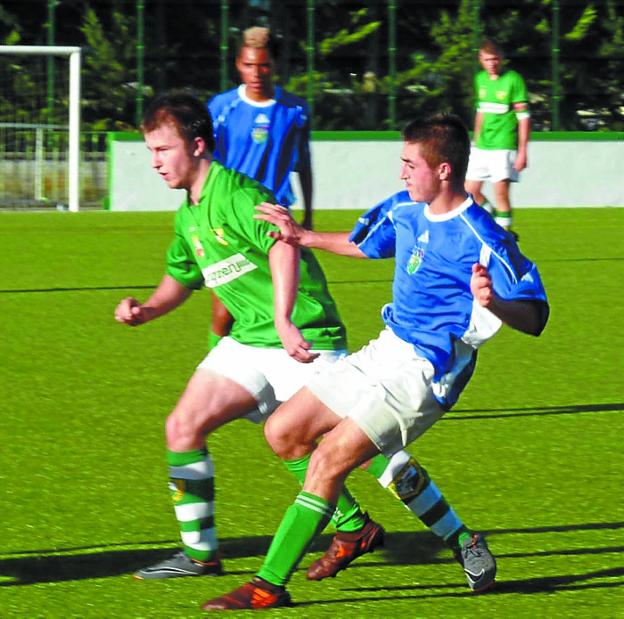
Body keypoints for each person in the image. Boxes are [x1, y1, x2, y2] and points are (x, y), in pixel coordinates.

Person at [114, 93, 482, 583]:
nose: (155, 162)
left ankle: (458, 537)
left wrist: (285, 319)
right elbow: (181, 279)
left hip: (303, 336)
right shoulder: (189, 215)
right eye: (150, 152)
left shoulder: (239, 193)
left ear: (197, 145)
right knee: (183, 426)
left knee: (377, 456)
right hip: (249, 342)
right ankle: (201, 554)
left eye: (162, 150)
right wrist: (147, 309)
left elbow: (282, 247)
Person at [202, 112, 549, 610]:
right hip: (386, 348)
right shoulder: (406, 208)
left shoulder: (483, 235)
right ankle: (453, 539)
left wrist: (495, 304)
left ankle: (268, 585)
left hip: (427, 371)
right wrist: (302, 237)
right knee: (284, 431)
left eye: (410, 164)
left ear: (444, 170)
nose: (402, 173)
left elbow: (536, 316)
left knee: (328, 460)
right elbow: (366, 244)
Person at [206, 26, 313, 349]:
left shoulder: (295, 109)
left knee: (285, 305)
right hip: (230, 217)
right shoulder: (221, 108)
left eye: (263, 65)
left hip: (275, 219)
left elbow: (303, 163)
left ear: (275, 65)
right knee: (226, 306)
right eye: (249, 65)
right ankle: (211, 371)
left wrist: (308, 213)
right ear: (238, 64)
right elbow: (206, 165)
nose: (256, 73)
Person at [465, 39, 530, 237]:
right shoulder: (480, 80)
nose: (492, 63)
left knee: (500, 192)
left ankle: (505, 237)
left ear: (501, 59)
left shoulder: (513, 80)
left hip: (504, 146)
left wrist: (522, 152)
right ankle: (496, 222)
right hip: (482, 146)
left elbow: (524, 118)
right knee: (469, 193)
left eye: (495, 59)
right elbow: (481, 112)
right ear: (480, 60)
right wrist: (475, 142)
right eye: (487, 59)